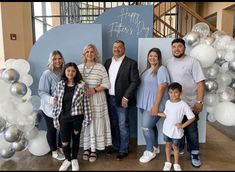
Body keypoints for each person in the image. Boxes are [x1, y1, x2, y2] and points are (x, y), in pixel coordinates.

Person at [167, 38, 205, 168]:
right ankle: (180, 148)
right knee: (178, 128)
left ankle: (194, 153)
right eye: (174, 47)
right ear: (171, 48)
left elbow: (200, 82)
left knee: (191, 130)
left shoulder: (192, 62)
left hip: (190, 103)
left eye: (179, 46)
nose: (176, 49)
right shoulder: (169, 62)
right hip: (175, 104)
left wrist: (199, 101)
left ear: (184, 48)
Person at [104, 40, 140, 160]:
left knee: (122, 125)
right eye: (115, 47)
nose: (117, 49)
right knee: (113, 124)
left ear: (124, 49)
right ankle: (116, 145)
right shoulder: (108, 62)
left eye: (120, 47)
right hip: (110, 98)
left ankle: (124, 149)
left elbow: (135, 81)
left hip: (122, 99)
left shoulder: (131, 63)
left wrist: (126, 97)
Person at [52, 62, 92, 171]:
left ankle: (74, 159)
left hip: (77, 117)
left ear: (76, 72)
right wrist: (55, 119)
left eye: (73, 71)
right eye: (68, 70)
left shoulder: (82, 85)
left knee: (76, 138)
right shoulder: (60, 85)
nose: (70, 73)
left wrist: (87, 119)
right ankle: (67, 159)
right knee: (64, 141)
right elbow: (56, 103)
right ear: (65, 72)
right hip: (63, 118)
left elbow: (86, 103)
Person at [78, 44, 112, 162]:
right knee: (86, 123)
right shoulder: (79, 67)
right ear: (84, 54)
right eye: (87, 52)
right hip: (83, 101)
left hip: (97, 99)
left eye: (92, 52)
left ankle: (94, 150)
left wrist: (94, 90)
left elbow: (107, 84)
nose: (89, 54)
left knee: (96, 123)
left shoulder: (100, 67)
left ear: (95, 54)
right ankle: (86, 148)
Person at [136, 48, 170, 163]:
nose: (152, 58)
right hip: (144, 103)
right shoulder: (147, 70)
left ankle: (149, 151)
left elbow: (162, 87)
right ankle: (155, 147)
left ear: (159, 58)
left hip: (154, 104)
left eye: (155, 56)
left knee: (146, 127)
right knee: (150, 126)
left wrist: (156, 106)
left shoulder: (161, 69)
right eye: (150, 55)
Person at [157, 82, 195, 171]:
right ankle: (168, 162)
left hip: (176, 132)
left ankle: (176, 163)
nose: (173, 94)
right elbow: (166, 114)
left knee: (176, 148)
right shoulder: (167, 102)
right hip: (167, 130)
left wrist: (182, 125)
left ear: (180, 93)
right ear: (168, 93)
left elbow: (192, 118)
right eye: (170, 92)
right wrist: (157, 113)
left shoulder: (183, 105)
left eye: (176, 92)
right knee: (167, 146)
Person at [38, 50, 65, 161]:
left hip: (62, 107)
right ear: (51, 60)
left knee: (63, 129)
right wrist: (51, 99)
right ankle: (54, 151)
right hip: (49, 108)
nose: (57, 61)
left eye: (59, 58)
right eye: (54, 59)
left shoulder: (64, 71)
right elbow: (41, 91)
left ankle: (60, 147)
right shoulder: (47, 74)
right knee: (52, 129)